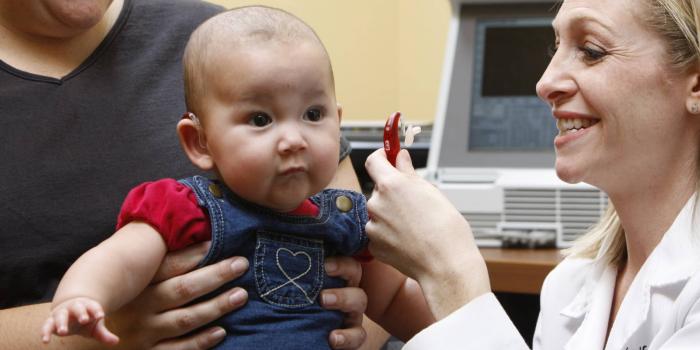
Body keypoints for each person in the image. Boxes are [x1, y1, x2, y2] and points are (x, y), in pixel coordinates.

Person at [40, 6, 433, 349]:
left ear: (338, 123)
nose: (294, 140)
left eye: (313, 115)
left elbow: (395, 298)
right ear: (201, 142)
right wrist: (80, 297)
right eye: (261, 120)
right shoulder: (186, 209)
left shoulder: (348, 223)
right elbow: (121, 261)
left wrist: (464, 330)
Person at [364, 0, 700, 348]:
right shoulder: (567, 287)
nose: (545, 83)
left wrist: (452, 274)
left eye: (591, 51)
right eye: (556, 47)